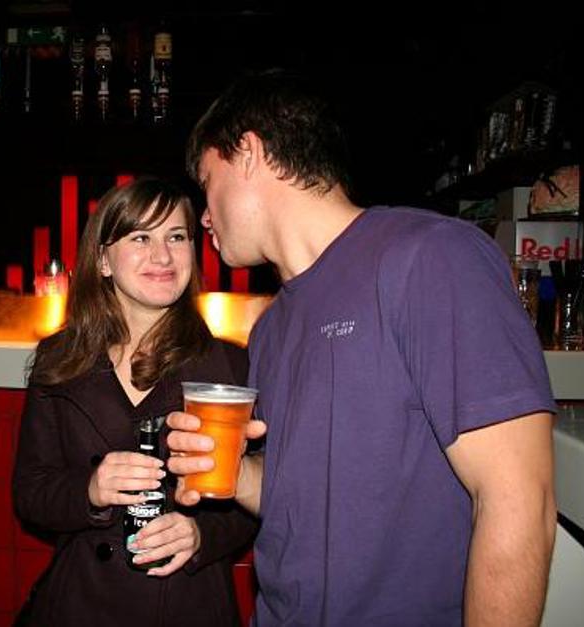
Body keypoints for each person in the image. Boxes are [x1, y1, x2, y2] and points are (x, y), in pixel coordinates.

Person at [166, 70, 557, 626]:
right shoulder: (271, 327)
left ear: (248, 153)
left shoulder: (432, 257)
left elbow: (518, 499)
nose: (204, 215)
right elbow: (298, 494)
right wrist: (228, 470)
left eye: (207, 182)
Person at [13, 178, 258, 626]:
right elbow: (31, 494)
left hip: (188, 603)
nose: (162, 256)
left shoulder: (230, 366)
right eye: (141, 238)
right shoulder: (59, 359)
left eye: (176, 237)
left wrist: (200, 534)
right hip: (81, 603)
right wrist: (90, 489)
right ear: (103, 260)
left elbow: (264, 499)